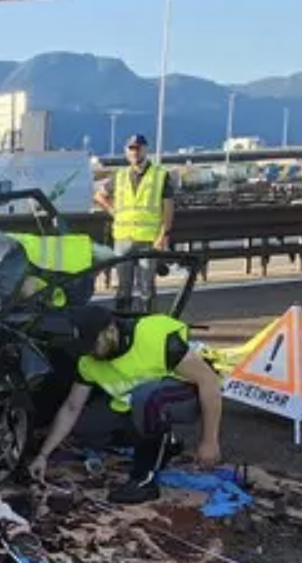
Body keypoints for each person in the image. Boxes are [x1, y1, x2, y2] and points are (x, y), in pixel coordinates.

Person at [28, 305, 223, 503]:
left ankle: (144, 479)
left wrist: (209, 441)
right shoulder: (87, 360)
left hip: (185, 398)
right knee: (86, 427)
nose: (90, 353)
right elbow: (72, 407)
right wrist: (43, 455)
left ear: (111, 330)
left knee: (147, 398)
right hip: (137, 404)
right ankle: (164, 443)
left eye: (94, 344)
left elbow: (209, 381)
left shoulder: (153, 337)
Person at [93, 134, 174, 312]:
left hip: (148, 240)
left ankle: (149, 324)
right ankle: (123, 326)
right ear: (126, 151)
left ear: (145, 149)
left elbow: (168, 207)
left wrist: (164, 234)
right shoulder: (120, 176)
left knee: (147, 287)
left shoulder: (160, 175)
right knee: (123, 287)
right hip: (123, 238)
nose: (134, 152)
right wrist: (114, 211)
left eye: (138, 148)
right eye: (131, 148)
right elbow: (99, 195)